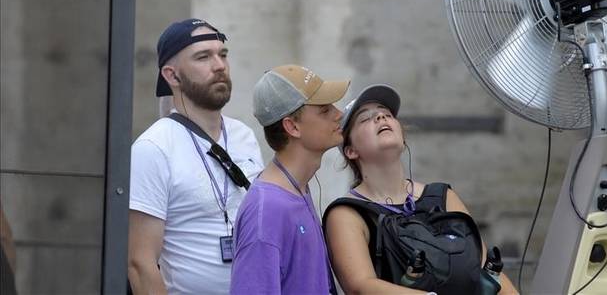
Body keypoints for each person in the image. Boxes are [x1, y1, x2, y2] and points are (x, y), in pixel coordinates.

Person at [323, 84, 518, 295]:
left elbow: (483, 267)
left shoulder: (443, 196)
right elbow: (361, 286)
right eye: (365, 118)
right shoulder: (347, 213)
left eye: (386, 114)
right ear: (351, 150)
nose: (380, 117)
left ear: (403, 137)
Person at [128, 18, 264, 295]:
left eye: (222, 54)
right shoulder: (153, 148)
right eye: (203, 57)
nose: (219, 65)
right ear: (172, 75)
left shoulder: (244, 136)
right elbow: (141, 264)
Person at [230, 64, 350, 294]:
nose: (339, 114)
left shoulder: (296, 189)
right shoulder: (267, 211)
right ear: (292, 126)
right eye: (325, 110)